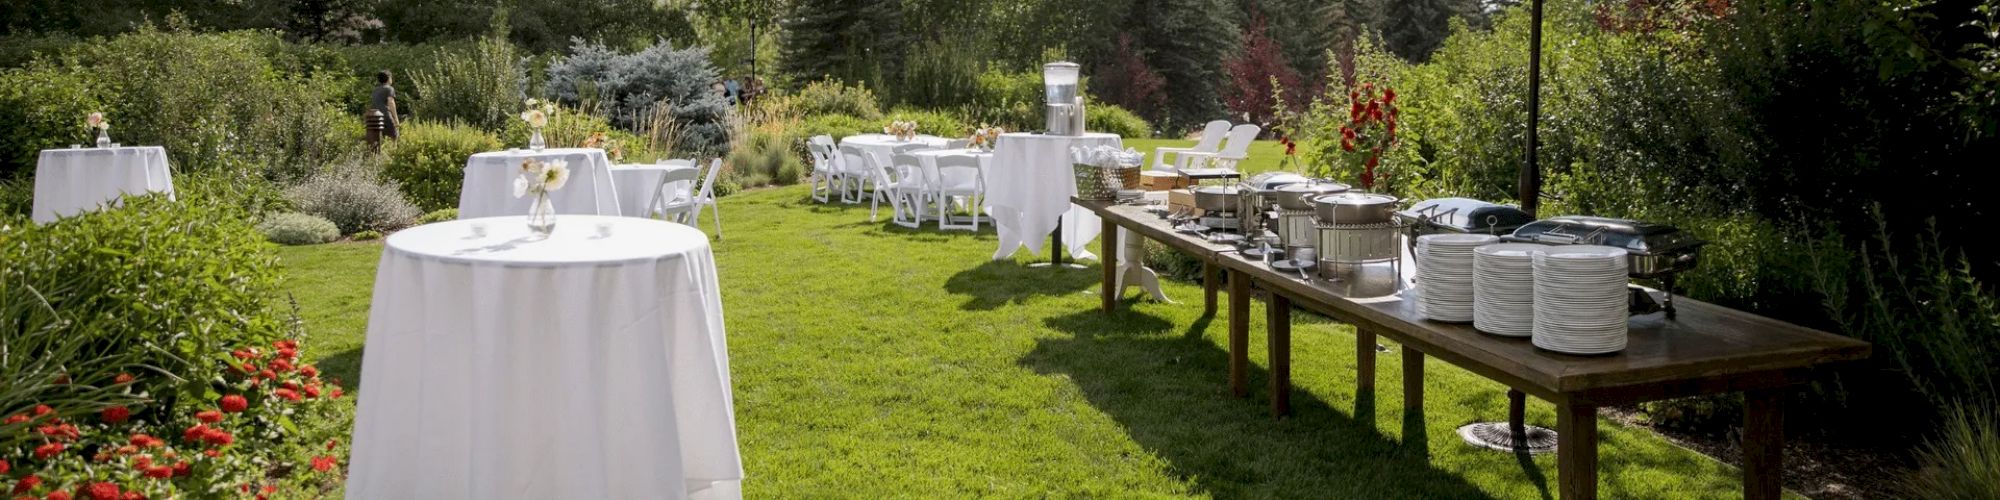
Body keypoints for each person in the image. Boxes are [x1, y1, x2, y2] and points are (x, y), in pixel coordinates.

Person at [369, 70, 401, 142]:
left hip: (375, 116)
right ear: (389, 78)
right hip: (386, 116)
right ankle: (393, 152)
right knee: (394, 136)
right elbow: (391, 102)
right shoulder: (389, 88)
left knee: (379, 139)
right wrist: (396, 118)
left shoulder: (375, 90)